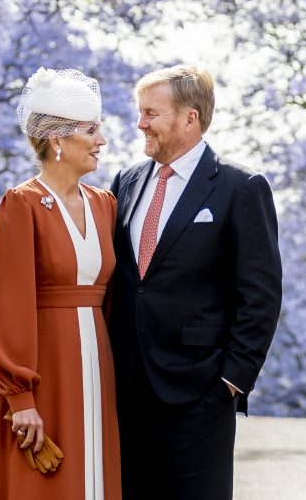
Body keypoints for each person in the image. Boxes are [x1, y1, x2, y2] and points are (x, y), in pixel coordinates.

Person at [108, 65, 282, 500]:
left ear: (190, 117)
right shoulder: (125, 183)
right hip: (126, 389)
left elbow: (260, 293)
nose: (140, 123)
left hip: (201, 390)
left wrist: (232, 380)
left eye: (151, 113)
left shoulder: (241, 187)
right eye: (140, 112)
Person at [0, 67, 121, 499]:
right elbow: (8, 306)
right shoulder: (20, 204)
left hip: (100, 367)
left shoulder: (105, 204)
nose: (101, 140)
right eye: (92, 130)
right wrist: (21, 398)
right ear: (58, 139)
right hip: (45, 370)